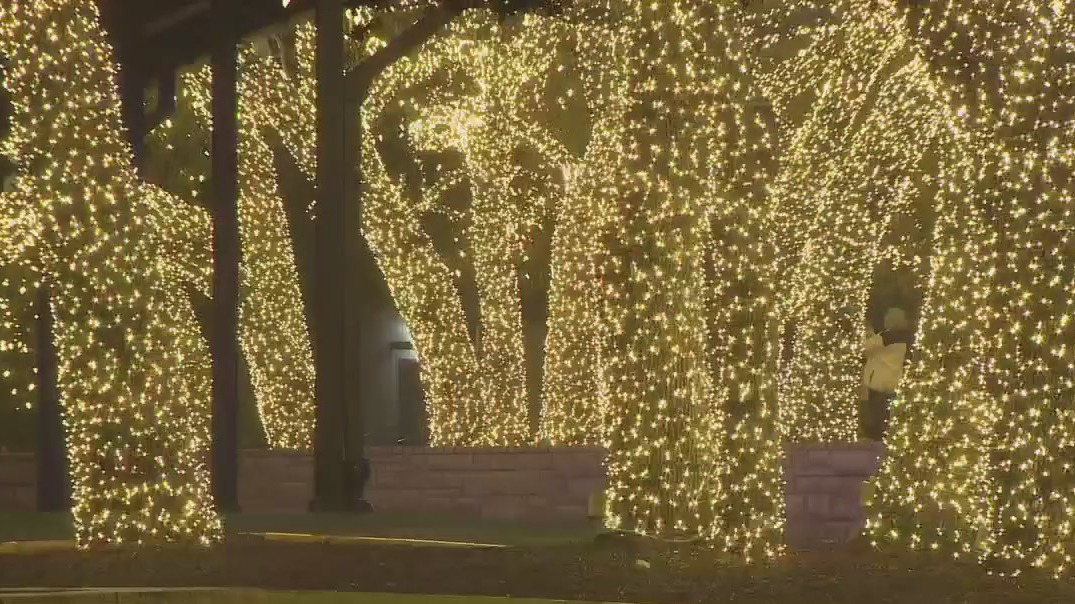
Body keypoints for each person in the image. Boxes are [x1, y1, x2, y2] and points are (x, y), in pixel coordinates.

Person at [861, 307, 912, 440]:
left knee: (878, 422)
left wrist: (867, 332)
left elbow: (863, 347)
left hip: (879, 385)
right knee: (891, 421)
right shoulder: (908, 338)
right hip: (896, 382)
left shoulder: (885, 338)